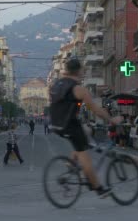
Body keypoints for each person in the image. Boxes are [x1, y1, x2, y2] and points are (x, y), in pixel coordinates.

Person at [49, 58, 123, 198]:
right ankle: (99, 189)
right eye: (83, 70)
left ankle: (71, 166)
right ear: (78, 71)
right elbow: (95, 109)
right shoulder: (78, 89)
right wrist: (111, 119)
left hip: (56, 124)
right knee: (85, 157)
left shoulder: (57, 84)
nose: (84, 72)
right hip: (70, 125)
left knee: (86, 132)